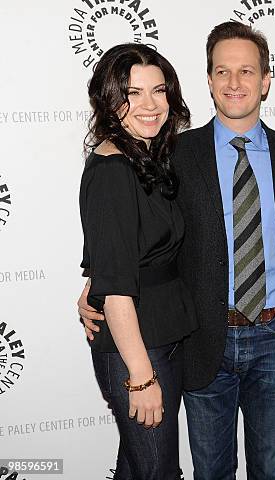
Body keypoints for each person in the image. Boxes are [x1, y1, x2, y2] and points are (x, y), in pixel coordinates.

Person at [79, 22, 275, 479]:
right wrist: (96, 286)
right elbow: (125, 238)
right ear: (209, 80)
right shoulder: (173, 154)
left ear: (266, 80)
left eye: (247, 71)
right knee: (207, 471)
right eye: (223, 71)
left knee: (270, 469)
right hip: (202, 341)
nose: (235, 83)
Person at [79, 43, 198, 479]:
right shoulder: (112, 170)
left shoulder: (145, 158)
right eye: (133, 93)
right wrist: (142, 378)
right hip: (137, 351)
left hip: (162, 335)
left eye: (159, 91)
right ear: (110, 100)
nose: (150, 105)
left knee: (136, 467)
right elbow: (116, 286)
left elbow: (119, 257)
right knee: (159, 473)